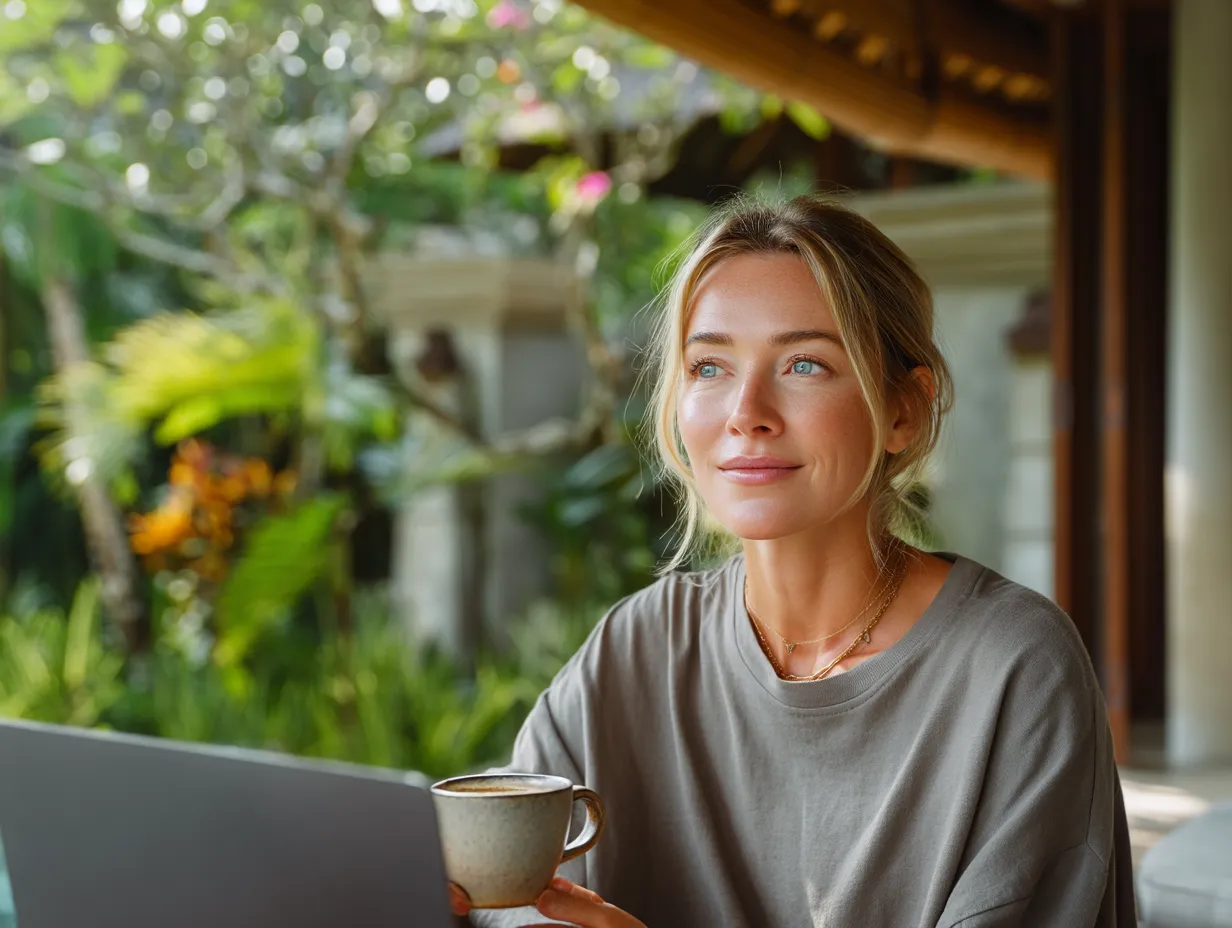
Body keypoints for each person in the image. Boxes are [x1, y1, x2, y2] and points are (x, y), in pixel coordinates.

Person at [451, 195, 1137, 927]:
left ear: (903, 409)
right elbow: (499, 889)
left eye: (805, 363)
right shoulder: (636, 647)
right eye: (709, 366)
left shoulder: (1013, 667)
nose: (747, 410)